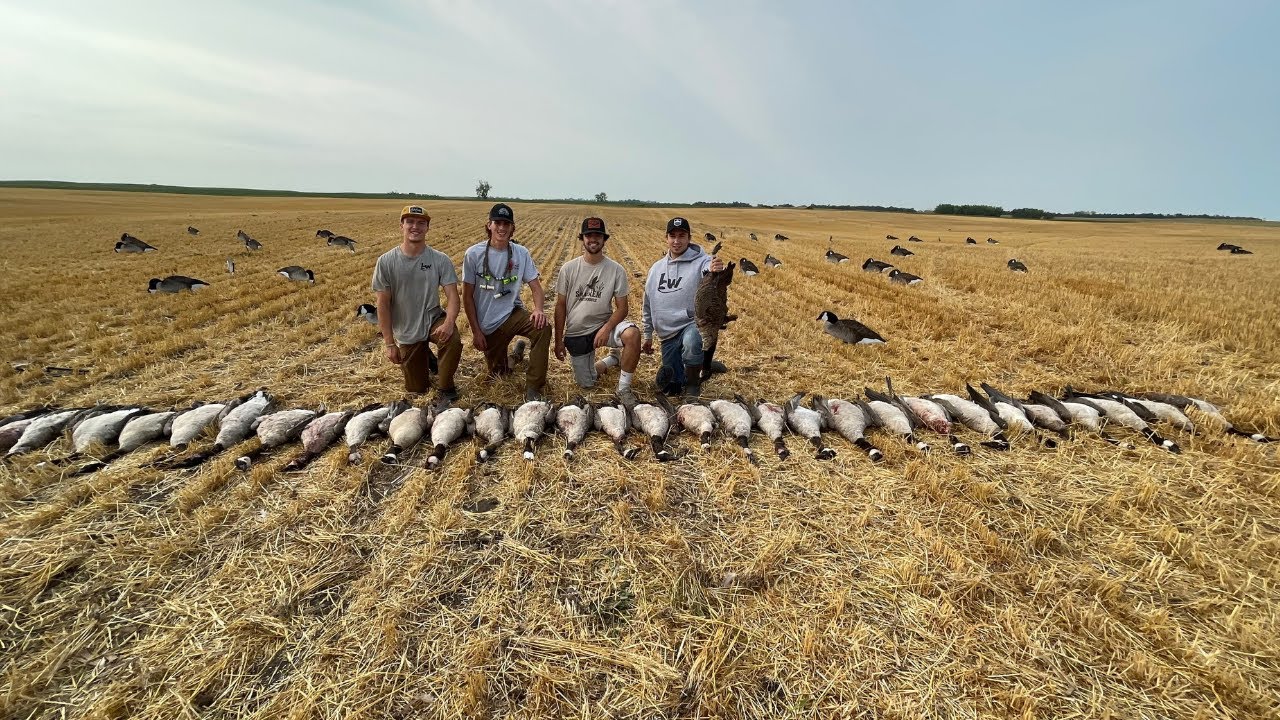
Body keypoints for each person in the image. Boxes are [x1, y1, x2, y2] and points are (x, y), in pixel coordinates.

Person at [371, 204, 462, 404]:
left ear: (427, 228)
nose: (415, 227)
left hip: (432, 319)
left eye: (421, 223)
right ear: (401, 225)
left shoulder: (440, 259)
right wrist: (389, 343)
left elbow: (454, 297)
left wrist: (448, 322)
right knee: (417, 389)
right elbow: (383, 305)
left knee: (452, 339)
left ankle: (446, 388)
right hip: (406, 329)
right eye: (410, 222)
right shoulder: (386, 262)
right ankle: (426, 356)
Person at [462, 203, 551, 401]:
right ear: (489, 225)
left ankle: (533, 388)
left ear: (512, 228)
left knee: (543, 328)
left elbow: (536, 287)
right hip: (488, 325)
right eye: (498, 223)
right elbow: (466, 297)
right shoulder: (473, 254)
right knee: (500, 375)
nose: (502, 228)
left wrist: (538, 309)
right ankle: (516, 355)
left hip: (512, 313)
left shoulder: (521, 253)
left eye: (506, 223)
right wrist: (476, 331)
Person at [553, 217, 641, 401]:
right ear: (582, 238)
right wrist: (559, 340)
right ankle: (612, 360)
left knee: (632, 334)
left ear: (604, 239)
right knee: (587, 383)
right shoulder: (568, 269)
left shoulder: (617, 270)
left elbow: (622, 308)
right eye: (589, 235)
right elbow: (560, 306)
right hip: (578, 332)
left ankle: (623, 389)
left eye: (597, 236)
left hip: (604, 326)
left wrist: (606, 328)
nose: (593, 239)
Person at [641, 217, 725, 397]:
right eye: (673, 236)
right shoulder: (656, 269)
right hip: (667, 333)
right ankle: (704, 365)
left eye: (682, 236)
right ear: (666, 238)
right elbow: (647, 303)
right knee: (670, 386)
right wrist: (647, 334)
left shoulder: (701, 261)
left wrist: (713, 268)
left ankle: (694, 384)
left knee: (692, 342)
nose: (677, 241)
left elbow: (708, 270)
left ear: (689, 238)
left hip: (690, 323)